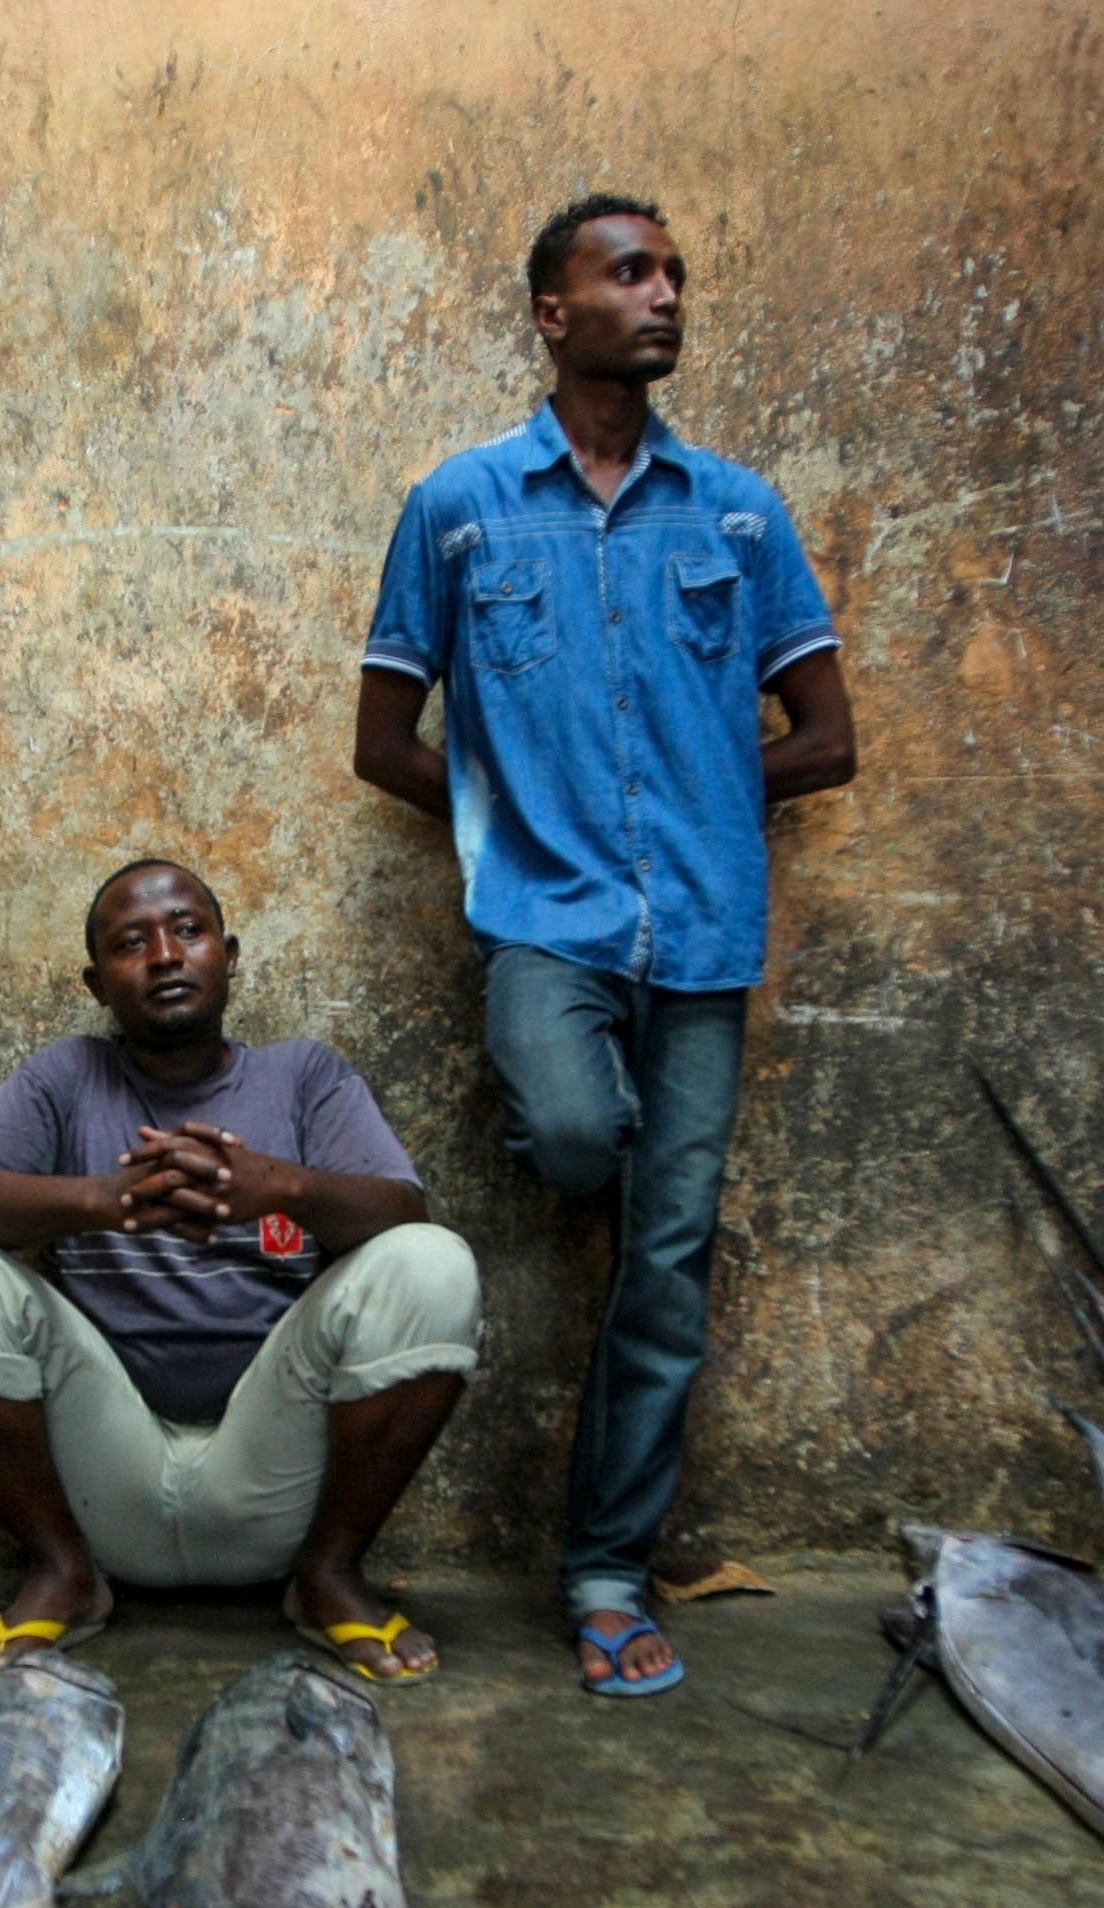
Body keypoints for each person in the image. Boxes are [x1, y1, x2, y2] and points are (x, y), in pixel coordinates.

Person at [352, 192, 860, 1699]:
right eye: (626, 273)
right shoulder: (458, 507)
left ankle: (605, 1569)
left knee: (665, 1266)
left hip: (702, 936)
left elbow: (824, 738)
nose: (663, 296)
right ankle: (608, 1142)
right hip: (543, 920)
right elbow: (385, 735)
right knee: (577, 1137)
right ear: (552, 314)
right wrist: (513, 810)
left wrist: (712, 791)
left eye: (674, 274)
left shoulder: (738, 515)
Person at [0, 859, 480, 1681]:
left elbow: (403, 1217)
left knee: (433, 1262)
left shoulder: (302, 1076)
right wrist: (102, 1199)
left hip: (271, 1478)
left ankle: (328, 1577)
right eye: (132, 943)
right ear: (97, 984)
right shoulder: (66, 1077)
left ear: (229, 955)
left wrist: (280, 1186)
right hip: (107, 1482)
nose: (165, 954)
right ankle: (64, 1574)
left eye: (188, 931)